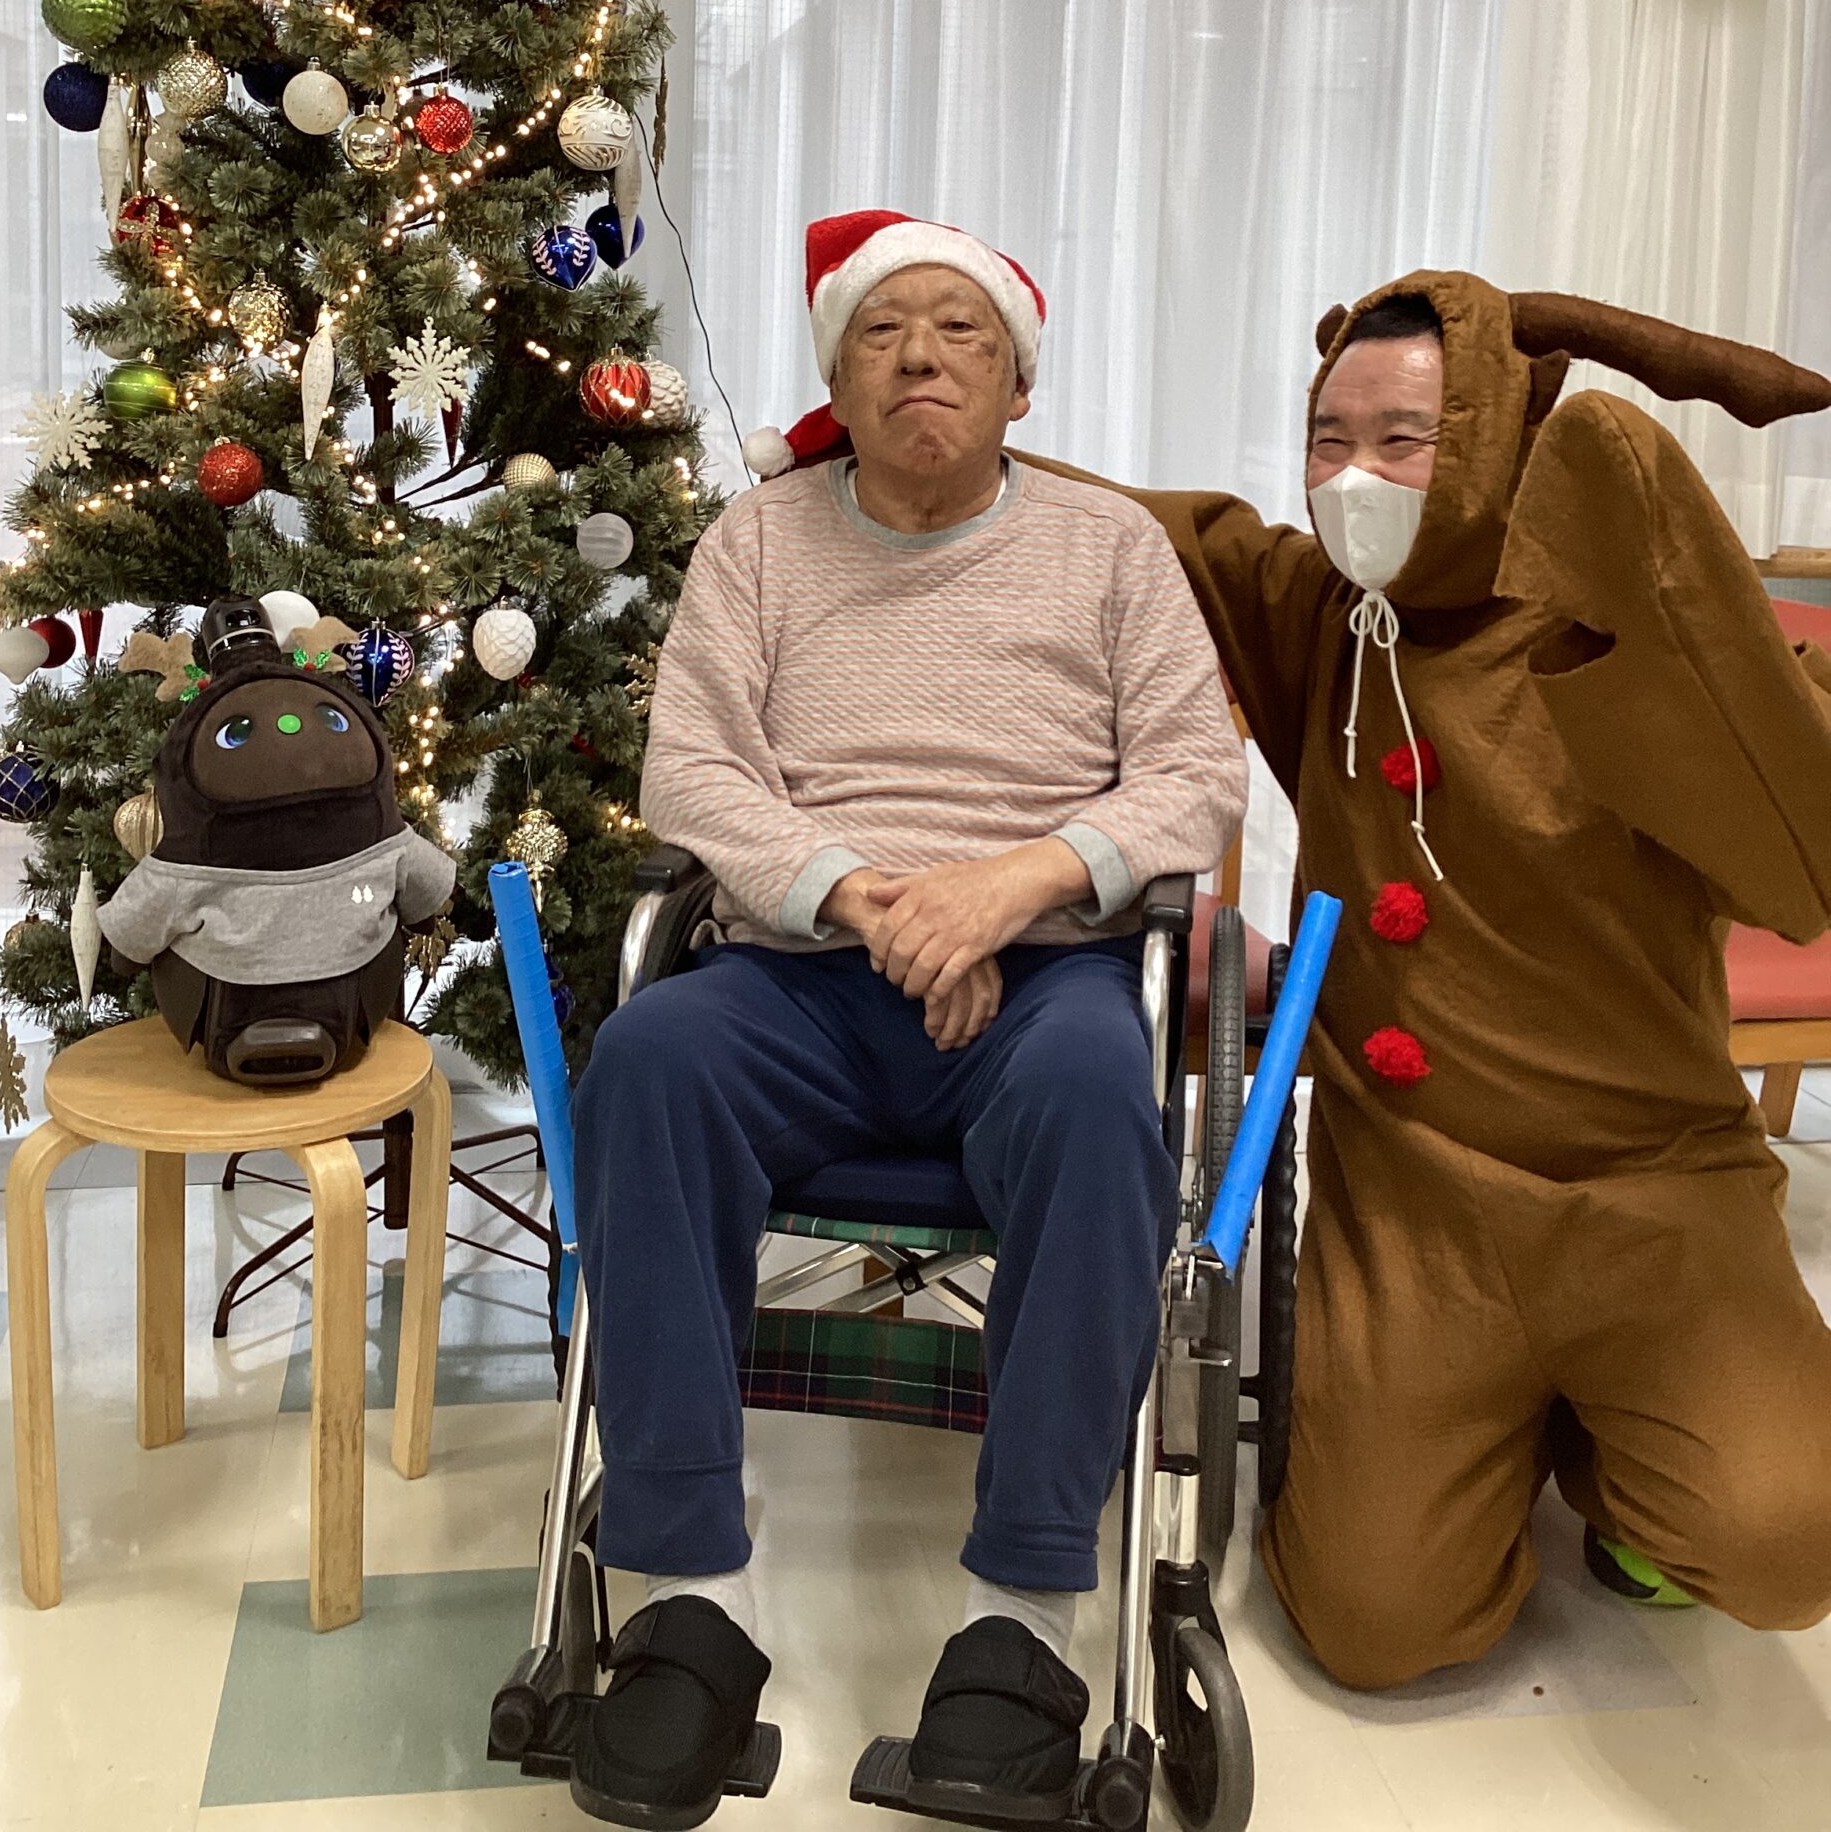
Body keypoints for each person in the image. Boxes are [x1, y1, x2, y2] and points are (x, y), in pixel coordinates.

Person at [1035, 270, 1831, 1690]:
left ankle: (1617, 1461)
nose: (1355, 477)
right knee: (1374, 1629)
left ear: (1490, 443)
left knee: (1791, 1542)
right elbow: (1159, 529)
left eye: (1403, 441)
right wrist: (918, 432)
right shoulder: (1323, 613)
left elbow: (1798, 839)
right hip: (1413, 1204)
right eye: (1328, 439)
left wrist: (1664, 573)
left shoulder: (1624, 639)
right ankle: (1509, 1429)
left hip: (1654, 1186)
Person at [570, 210, 1247, 1825]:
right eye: (881, 333)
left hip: (1044, 980)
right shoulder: (759, 542)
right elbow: (690, 772)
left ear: (1020, 383)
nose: (921, 358)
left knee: (1100, 1100)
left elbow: (1196, 776)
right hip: (802, 975)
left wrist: (1008, 890)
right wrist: (872, 901)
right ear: (838, 378)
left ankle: (1022, 1615)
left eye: (961, 334)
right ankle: (689, 1600)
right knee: (648, 1061)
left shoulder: (1107, 550)